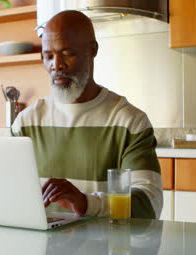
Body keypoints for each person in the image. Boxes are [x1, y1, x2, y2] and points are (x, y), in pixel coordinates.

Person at [11, 10, 163, 219]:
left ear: (93, 50)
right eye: (48, 56)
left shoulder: (130, 122)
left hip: (107, 249)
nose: (56, 65)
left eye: (67, 53)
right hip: (43, 250)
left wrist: (85, 202)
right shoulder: (25, 123)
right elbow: (9, 195)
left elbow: (149, 204)